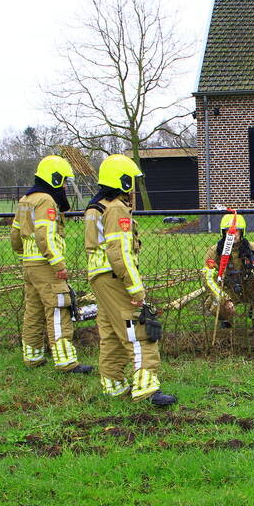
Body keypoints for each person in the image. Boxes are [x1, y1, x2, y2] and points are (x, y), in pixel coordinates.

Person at [84, 154, 176, 406]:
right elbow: (121, 253)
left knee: (112, 332)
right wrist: (136, 290)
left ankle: (113, 384)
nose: (133, 187)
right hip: (115, 278)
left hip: (100, 278)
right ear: (123, 181)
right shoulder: (116, 208)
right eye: (131, 181)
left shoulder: (96, 206)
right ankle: (146, 389)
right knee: (138, 330)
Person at [10, 155, 92, 374]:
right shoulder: (46, 200)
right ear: (54, 179)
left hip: (30, 265)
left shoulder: (25, 200)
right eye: (63, 181)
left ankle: (33, 357)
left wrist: (25, 254)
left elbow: (15, 234)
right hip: (46, 266)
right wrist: (58, 265)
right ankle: (66, 362)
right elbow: (44, 235)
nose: (64, 186)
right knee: (58, 310)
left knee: (33, 311)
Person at [201, 214, 254, 330]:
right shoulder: (215, 251)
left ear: (242, 231)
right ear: (223, 232)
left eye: (236, 230)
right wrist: (223, 298)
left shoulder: (252, 248)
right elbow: (207, 277)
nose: (233, 234)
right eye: (229, 230)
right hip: (228, 288)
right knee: (217, 303)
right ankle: (226, 320)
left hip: (249, 286)